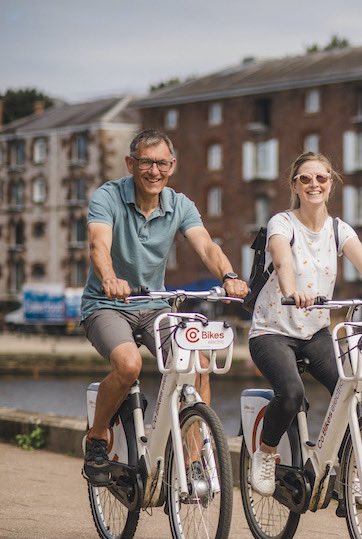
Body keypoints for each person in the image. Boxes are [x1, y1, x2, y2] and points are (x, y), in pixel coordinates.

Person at [81, 129, 248, 485]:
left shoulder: (180, 204)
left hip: (155, 305)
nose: (154, 171)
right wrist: (109, 278)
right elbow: (99, 245)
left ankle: (192, 461)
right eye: (146, 162)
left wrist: (230, 275)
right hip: (107, 304)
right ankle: (97, 437)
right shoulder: (108, 197)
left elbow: (206, 247)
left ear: (172, 166)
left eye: (161, 163)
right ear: (131, 164)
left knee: (198, 363)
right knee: (129, 365)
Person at [247, 152, 362, 495]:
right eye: (305, 179)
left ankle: (347, 468)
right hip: (272, 331)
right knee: (292, 394)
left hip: (315, 332)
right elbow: (281, 259)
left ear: (331, 183)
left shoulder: (339, 229)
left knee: (351, 389)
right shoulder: (282, 223)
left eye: (321, 178)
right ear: (294, 185)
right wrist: (292, 291)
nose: (314, 185)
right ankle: (265, 454)